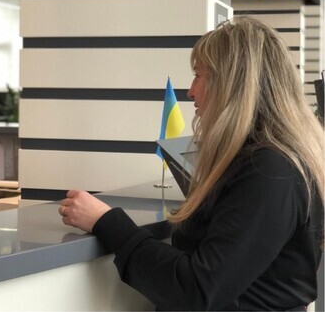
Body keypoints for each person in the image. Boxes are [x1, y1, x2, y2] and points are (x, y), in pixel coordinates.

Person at [59, 17, 324, 311]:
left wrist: (107, 222)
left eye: (199, 76)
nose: (191, 91)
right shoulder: (268, 162)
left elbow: (198, 289)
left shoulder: (269, 171)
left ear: (231, 85)